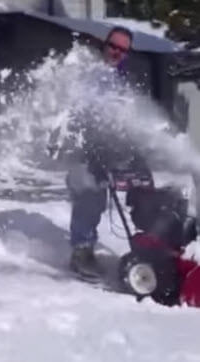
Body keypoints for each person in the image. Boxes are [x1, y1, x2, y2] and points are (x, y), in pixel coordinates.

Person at [66, 26, 135, 279]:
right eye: (113, 46)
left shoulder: (121, 77)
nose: (116, 52)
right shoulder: (89, 72)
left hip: (107, 151)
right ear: (105, 45)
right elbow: (76, 110)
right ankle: (81, 253)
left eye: (122, 49)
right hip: (83, 149)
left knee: (102, 201)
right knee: (89, 196)